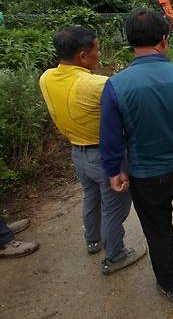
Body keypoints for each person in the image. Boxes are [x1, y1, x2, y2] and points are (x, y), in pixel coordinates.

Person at [100, 8, 173, 303]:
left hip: (147, 175)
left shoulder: (116, 85)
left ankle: (171, 285)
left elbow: (112, 136)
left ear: (130, 41)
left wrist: (114, 170)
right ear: (164, 39)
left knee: (158, 230)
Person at [39, 26, 145, 274]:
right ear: (83, 56)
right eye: (97, 50)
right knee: (114, 208)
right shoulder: (97, 84)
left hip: (77, 153)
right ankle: (115, 256)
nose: (100, 54)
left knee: (91, 198)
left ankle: (93, 240)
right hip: (106, 156)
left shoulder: (46, 77)